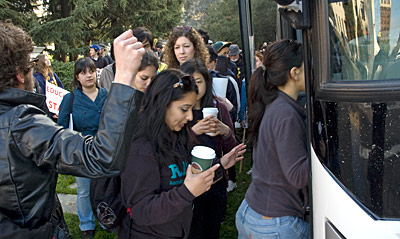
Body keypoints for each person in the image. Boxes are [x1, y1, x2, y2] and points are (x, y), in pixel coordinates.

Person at [0, 22, 145, 238]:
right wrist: (124, 76)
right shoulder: (20, 124)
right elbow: (103, 157)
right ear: (21, 74)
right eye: (30, 65)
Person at [119, 69, 246, 239]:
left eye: (192, 108)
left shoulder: (178, 135)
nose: (190, 116)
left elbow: (191, 174)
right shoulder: (140, 148)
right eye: (184, 109)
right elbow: (141, 211)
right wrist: (187, 192)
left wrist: (221, 164)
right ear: (162, 103)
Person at [235, 40, 310, 239]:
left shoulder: (273, 102)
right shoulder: (286, 114)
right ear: (294, 73)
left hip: (253, 212)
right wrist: (322, 148)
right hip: (273, 225)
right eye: (308, 67)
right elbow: (298, 176)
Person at [180, 59, 236, 239]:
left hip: (215, 180)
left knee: (212, 230)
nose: (195, 88)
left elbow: (231, 148)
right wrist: (193, 131)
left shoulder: (218, 108)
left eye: (199, 82)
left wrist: (225, 131)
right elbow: (171, 147)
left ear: (207, 82)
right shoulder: (177, 111)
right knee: (191, 231)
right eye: (190, 83)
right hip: (186, 181)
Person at [57, 58, 108, 239]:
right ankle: (86, 224)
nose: (89, 76)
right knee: (84, 190)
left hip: (105, 149)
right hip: (82, 151)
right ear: (77, 77)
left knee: (105, 187)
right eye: (83, 72)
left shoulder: (107, 95)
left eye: (91, 71)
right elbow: (62, 128)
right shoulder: (70, 99)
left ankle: (106, 218)